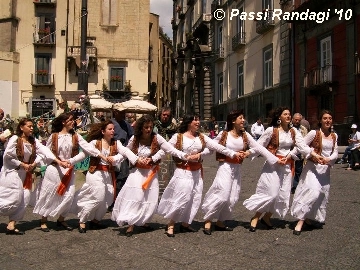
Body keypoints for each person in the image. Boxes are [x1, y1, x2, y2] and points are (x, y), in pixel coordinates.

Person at [157, 113, 243, 237]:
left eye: (198, 120)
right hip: (183, 172)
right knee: (181, 197)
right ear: (188, 122)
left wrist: (232, 154)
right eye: (195, 120)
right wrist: (153, 159)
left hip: (197, 172)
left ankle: (185, 223)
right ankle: (171, 224)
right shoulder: (178, 137)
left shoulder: (201, 137)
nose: (198, 122)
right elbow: (165, 149)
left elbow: (217, 147)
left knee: (194, 197)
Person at [201, 110, 280, 235]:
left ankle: (220, 221)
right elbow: (212, 147)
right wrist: (199, 155)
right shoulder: (224, 134)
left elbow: (258, 147)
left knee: (232, 197)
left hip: (237, 168)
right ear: (233, 120)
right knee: (222, 194)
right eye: (241, 118)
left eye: (243, 118)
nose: (243, 120)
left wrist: (269, 158)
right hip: (225, 167)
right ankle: (208, 219)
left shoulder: (245, 135)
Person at [111, 115, 190, 237]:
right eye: (146, 127)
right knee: (136, 197)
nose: (149, 129)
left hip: (151, 174)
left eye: (151, 127)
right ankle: (131, 224)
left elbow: (169, 149)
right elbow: (125, 152)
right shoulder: (135, 138)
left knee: (148, 199)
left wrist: (183, 155)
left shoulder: (156, 137)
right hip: (137, 173)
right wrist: (115, 159)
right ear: (141, 128)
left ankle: (142, 221)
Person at [243, 107, 319, 232]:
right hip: (273, 165)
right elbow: (259, 145)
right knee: (271, 193)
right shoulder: (271, 130)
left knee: (281, 195)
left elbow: (302, 146)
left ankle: (267, 217)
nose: (288, 116)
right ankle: (256, 217)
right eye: (285, 114)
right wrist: (248, 153)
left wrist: (312, 154)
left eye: (289, 114)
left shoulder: (293, 131)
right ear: (279, 117)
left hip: (287, 165)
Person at [33, 112, 107, 232]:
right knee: (50, 193)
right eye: (71, 120)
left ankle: (61, 219)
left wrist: (73, 160)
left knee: (70, 194)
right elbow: (47, 152)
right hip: (54, 169)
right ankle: (43, 220)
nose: (73, 122)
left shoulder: (76, 136)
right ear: (64, 122)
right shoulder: (54, 136)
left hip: (69, 169)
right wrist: (57, 161)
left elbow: (88, 149)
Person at [71, 120, 141, 233]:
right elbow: (84, 154)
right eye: (110, 129)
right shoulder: (95, 143)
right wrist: (70, 161)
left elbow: (125, 151)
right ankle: (82, 220)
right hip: (95, 173)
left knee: (108, 198)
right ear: (103, 131)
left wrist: (136, 159)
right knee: (97, 197)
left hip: (108, 174)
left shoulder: (116, 143)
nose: (113, 131)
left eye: (113, 129)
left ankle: (95, 220)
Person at [0, 118, 66, 235]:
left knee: (25, 199)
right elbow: (7, 156)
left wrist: (57, 161)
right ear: (21, 127)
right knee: (12, 198)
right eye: (29, 126)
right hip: (12, 173)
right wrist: (21, 164)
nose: (31, 128)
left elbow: (44, 151)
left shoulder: (33, 141)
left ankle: (11, 225)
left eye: (32, 126)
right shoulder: (15, 139)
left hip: (25, 174)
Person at [291, 110, 338, 235]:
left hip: (325, 171)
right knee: (313, 192)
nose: (328, 120)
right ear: (320, 120)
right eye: (325, 118)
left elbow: (335, 152)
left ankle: (307, 217)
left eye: (330, 118)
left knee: (321, 195)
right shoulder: (314, 133)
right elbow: (301, 145)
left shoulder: (334, 136)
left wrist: (329, 159)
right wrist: (291, 155)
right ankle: (300, 221)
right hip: (313, 168)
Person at [107, 108, 134, 211]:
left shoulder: (126, 124)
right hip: (113, 153)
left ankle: (119, 201)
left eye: (124, 112)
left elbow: (132, 136)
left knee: (123, 178)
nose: (123, 114)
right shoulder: (111, 123)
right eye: (121, 112)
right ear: (116, 112)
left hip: (123, 153)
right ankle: (112, 202)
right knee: (114, 178)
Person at [291, 113, 309, 194]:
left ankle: (295, 186)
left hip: (299, 153)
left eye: (299, 120)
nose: (297, 121)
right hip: (289, 152)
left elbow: (306, 140)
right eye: (296, 119)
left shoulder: (303, 129)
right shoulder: (288, 127)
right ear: (292, 119)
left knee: (299, 170)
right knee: (288, 170)